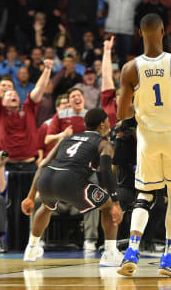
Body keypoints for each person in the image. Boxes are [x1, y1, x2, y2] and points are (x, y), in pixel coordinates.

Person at [115, 13, 171, 277]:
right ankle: (169, 258)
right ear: (164, 31)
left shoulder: (130, 69)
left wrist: (142, 108)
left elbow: (122, 113)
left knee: (145, 194)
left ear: (139, 34)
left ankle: (131, 251)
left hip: (147, 139)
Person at [21, 109, 124, 266]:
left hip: (47, 178)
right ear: (102, 124)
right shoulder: (104, 144)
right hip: (70, 180)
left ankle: (31, 247)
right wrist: (116, 202)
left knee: (46, 207)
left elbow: (43, 164)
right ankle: (110, 253)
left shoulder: (67, 138)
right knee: (108, 205)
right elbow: (105, 170)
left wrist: (30, 196)